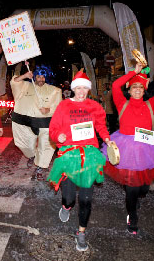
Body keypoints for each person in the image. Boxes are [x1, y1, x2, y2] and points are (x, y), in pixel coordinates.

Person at [101, 49, 154, 235]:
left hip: (147, 148)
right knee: (132, 188)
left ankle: (139, 194)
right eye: (134, 88)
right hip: (126, 147)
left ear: (144, 90)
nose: (138, 91)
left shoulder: (150, 104)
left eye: (140, 88)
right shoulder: (121, 102)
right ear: (130, 90)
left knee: (143, 187)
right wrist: (134, 71)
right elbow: (116, 86)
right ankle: (132, 215)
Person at [47, 70, 112, 252]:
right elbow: (53, 128)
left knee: (86, 198)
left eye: (85, 88)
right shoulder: (63, 106)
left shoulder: (95, 106)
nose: (82, 91)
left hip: (89, 156)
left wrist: (106, 139)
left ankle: (81, 232)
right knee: (69, 197)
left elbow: (100, 125)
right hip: (69, 155)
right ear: (74, 88)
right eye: (79, 88)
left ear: (88, 89)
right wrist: (57, 136)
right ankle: (66, 206)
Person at [10, 64, 62, 180]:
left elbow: (59, 107)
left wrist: (48, 110)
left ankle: (40, 167)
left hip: (45, 124)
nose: (40, 79)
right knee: (24, 144)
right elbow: (14, 82)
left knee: (46, 146)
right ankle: (32, 156)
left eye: (43, 77)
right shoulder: (25, 86)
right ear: (34, 77)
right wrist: (25, 75)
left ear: (47, 77)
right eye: (38, 76)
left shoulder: (55, 91)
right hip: (26, 122)